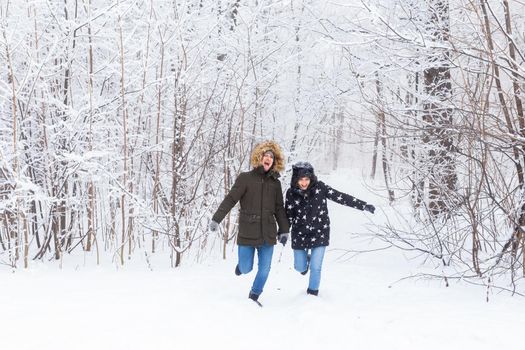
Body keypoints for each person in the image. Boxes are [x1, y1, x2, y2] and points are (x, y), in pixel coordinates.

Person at [209, 140, 289, 305]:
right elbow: (231, 199)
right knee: (246, 268)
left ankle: (254, 295)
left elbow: (279, 208)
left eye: (271, 157)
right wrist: (217, 218)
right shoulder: (245, 178)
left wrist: (284, 229)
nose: (268, 158)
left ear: (275, 162)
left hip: (268, 232)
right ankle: (241, 267)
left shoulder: (275, 183)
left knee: (265, 269)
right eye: (265, 155)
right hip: (248, 231)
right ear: (259, 158)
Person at [285, 161, 375, 296]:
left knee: (316, 267)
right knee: (300, 267)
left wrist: (363, 205)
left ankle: (312, 295)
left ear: (311, 178)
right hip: (300, 233)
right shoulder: (291, 193)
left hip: (320, 232)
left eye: (306, 179)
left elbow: (341, 197)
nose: (304, 183)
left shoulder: (320, 188)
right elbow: (288, 215)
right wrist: (283, 232)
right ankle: (306, 261)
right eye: (301, 180)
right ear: (296, 180)